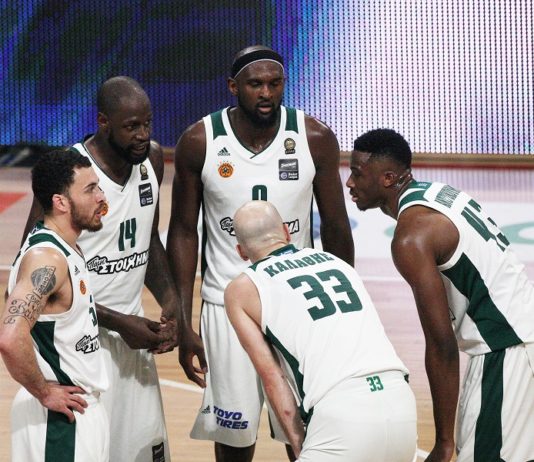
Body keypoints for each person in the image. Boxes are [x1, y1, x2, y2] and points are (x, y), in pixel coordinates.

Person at [166, 45, 354, 461]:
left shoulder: (314, 138)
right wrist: (182, 318)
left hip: (296, 304)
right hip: (225, 305)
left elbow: (337, 229)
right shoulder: (199, 141)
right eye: (255, 84)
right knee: (234, 438)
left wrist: (344, 311)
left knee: (305, 434)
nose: (267, 93)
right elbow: (181, 231)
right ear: (234, 87)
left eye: (275, 83)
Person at [346, 128, 534, 462]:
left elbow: (441, 345)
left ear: (388, 178)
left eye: (357, 174)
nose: (349, 183)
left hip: (507, 351)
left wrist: (443, 441)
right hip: (519, 336)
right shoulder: (439, 192)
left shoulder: (411, 237)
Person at [21, 76, 177, 461]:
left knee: (145, 454)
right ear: (103, 122)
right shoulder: (69, 174)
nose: (143, 135)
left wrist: (172, 303)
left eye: (147, 123)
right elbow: (30, 267)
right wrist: (119, 322)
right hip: (80, 343)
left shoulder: (152, 159)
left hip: (134, 337)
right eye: (131, 127)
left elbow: (148, 239)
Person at [223, 200, 417, 461]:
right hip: (400, 403)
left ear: (241, 251)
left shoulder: (242, 289)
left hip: (342, 412)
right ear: (286, 232)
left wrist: (299, 447)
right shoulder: (337, 263)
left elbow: (273, 378)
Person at [0, 150, 109, 461]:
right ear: (61, 202)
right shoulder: (47, 259)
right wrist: (44, 391)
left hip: (76, 411)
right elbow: (9, 338)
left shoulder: (64, 247)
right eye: (90, 189)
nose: (101, 197)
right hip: (60, 421)